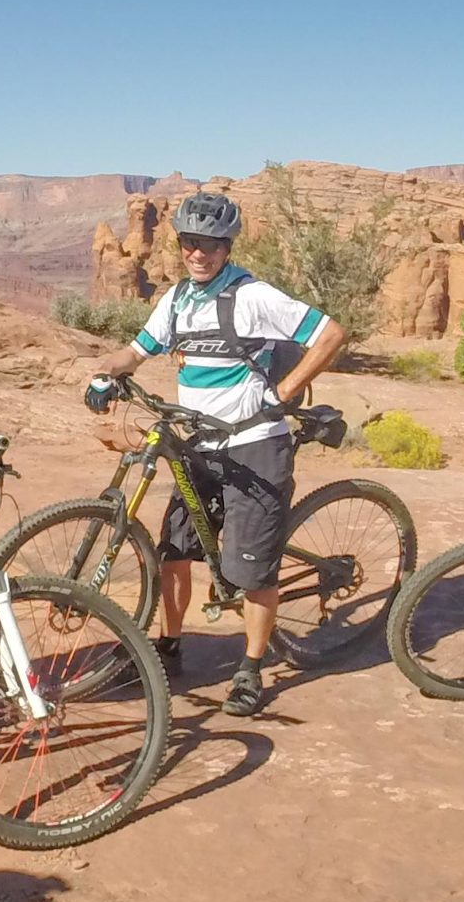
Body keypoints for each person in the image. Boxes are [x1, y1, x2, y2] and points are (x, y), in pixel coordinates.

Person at [79, 192, 347, 716]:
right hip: (197, 443)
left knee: (252, 568)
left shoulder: (253, 296)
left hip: (253, 445)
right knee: (174, 551)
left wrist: (286, 391)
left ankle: (249, 668)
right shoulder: (177, 299)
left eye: (211, 245)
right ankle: (168, 646)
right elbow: (136, 351)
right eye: (189, 243)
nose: (198, 254)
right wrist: (104, 373)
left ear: (227, 247)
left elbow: (330, 333)